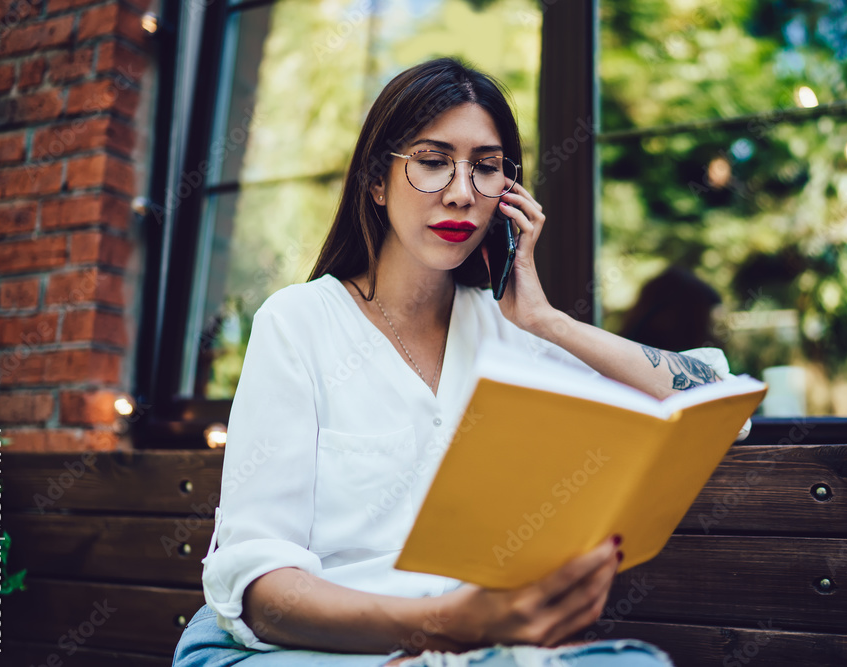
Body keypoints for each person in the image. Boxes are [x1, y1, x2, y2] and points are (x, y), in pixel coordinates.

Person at [173, 57, 735, 667]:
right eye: (433, 161)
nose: (462, 192)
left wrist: (548, 321)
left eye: (486, 168)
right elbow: (262, 594)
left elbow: (714, 396)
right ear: (377, 182)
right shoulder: (298, 322)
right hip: (303, 649)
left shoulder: (512, 335)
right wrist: (446, 627)